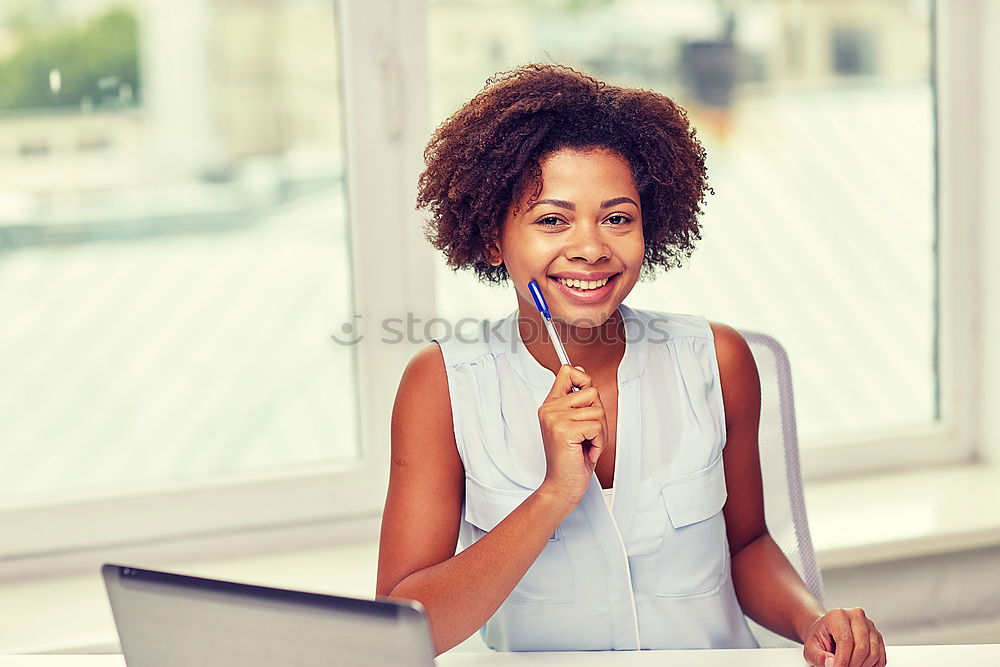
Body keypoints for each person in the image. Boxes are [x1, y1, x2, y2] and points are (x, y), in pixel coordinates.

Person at [376, 63, 887, 667]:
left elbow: (745, 544)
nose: (591, 247)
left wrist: (813, 621)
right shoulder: (443, 385)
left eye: (617, 218)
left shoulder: (717, 361)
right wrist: (553, 496)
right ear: (493, 238)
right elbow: (406, 628)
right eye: (552, 219)